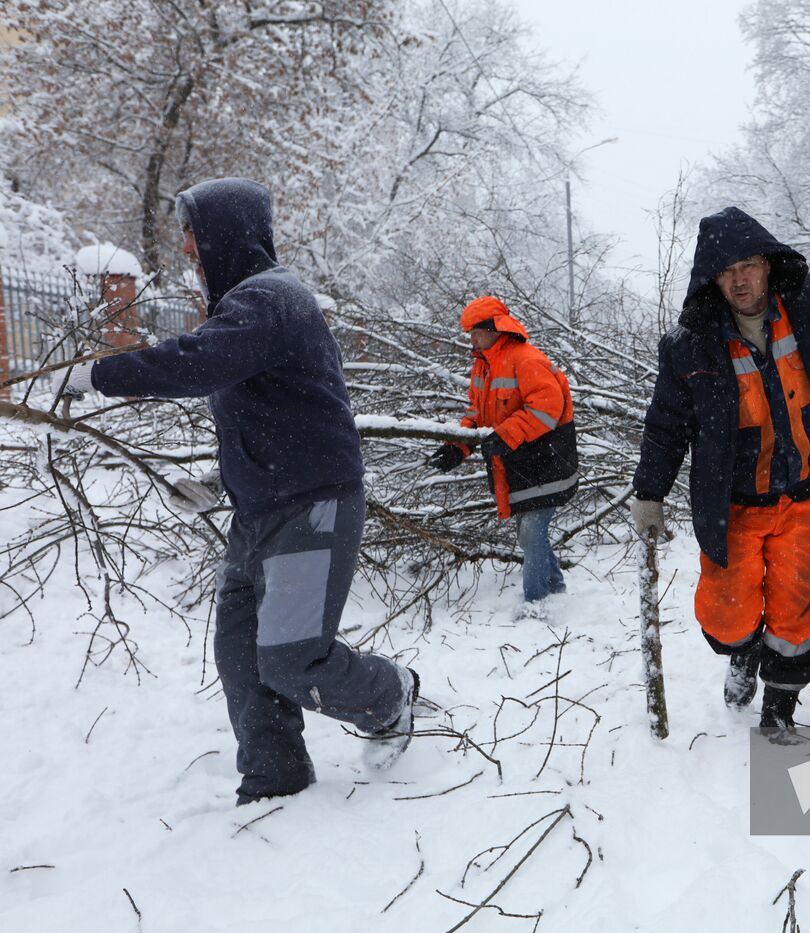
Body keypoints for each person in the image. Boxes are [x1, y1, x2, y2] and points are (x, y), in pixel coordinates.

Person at [62, 177, 417, 804]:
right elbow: (271, 417)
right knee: (240, 655)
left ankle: (389, 696)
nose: (188, 249)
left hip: (312, 507)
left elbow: (195, 363)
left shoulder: (269, 298)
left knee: (290, 658)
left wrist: (97, 374)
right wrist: (217, 483)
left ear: (225, 230)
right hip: (259, 514)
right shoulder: (248, 311)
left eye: (194, 233)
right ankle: (276, 778)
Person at [630, 207, 810, 734]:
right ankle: (743, 654)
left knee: (798, 612)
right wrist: (649, 493)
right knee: (726, 615)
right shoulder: (690, 345)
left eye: (749, 264)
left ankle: (780, 706)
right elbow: (666, 425)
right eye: (727, 270)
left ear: (769, 264)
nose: (740, 279)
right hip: (732, 505)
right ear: (711, 277)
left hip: (805, 497)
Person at [427, 296, 577, 607]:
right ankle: (555, 588)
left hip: (546, 461)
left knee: (532, 533)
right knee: (528, 531)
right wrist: (457, 447)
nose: (472, 339)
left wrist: (506, 435)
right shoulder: (482, 367)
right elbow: (476, 414)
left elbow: (548, 409)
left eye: (476, 332)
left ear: (495, 329)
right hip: (520, 465)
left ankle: (536, 603)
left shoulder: (527, 359)